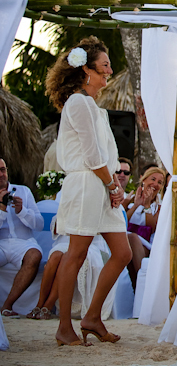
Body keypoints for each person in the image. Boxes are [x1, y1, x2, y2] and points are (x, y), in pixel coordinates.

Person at [45, 37, 131, 346]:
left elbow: (103, 155)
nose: (110, 70)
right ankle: (64, 327)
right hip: (86, 184)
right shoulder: (78, 103)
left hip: (102, 185)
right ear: (87, 70)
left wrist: (112, 184)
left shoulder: (92, 105)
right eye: (105, 65)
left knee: (122, 253)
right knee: (77, 253)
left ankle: (92, 316)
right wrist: (113, 185)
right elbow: (92, 156)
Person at [0, 157, 43, 317]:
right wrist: (2, 208)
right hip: (1, 244)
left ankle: (7, 305)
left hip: (24, 243)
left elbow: (39, 224)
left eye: (3, 170)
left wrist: (22, 211)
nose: (1, 174)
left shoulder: (23, 191)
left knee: (34, 255)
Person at [125, 167, 165, 289]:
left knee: (133, 238)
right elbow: (122, 222)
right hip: (124, 242)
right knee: (130, 237)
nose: (155, 184)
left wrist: (147, 205)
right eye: (153, 179)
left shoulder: (159, 207)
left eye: (159, 182)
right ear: (144, 180)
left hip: (146, 244)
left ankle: (142, 281)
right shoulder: (130, 200)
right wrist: (136, 205)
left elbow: (152, 227)